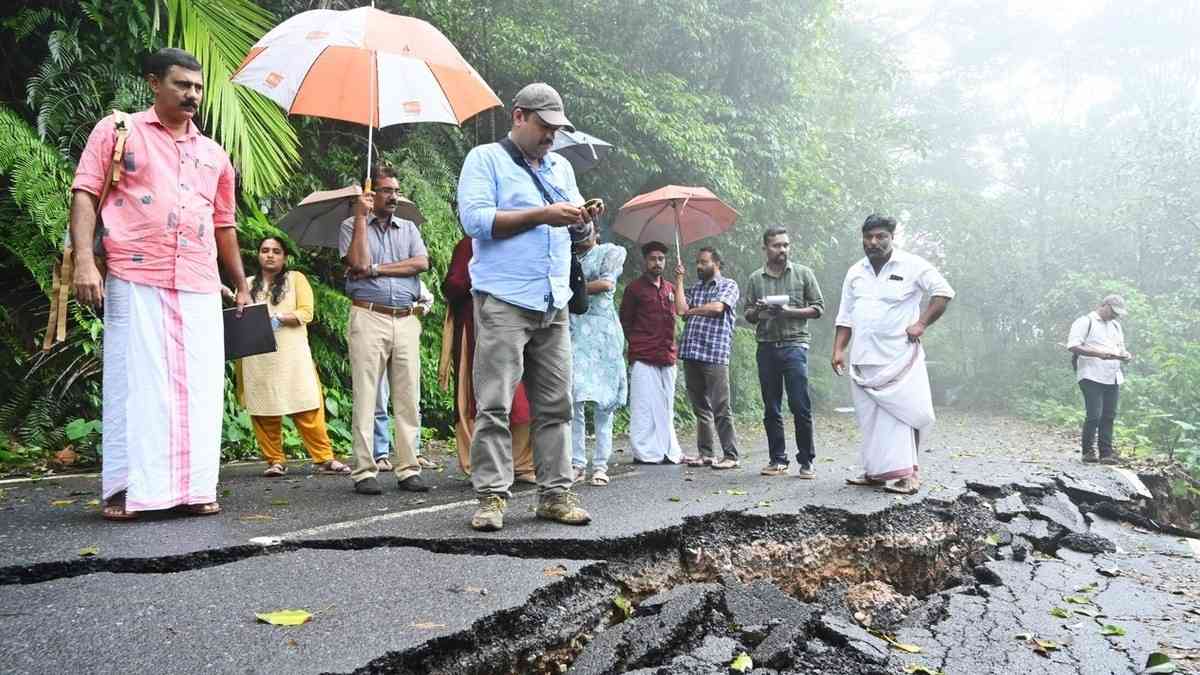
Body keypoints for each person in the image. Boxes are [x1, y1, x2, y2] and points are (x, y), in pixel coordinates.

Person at [70, 48, 249, 521]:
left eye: (198, 87)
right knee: (135, 384)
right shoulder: (119, 131)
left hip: (198, 279)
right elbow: (85, 192)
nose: (192, 94)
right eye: (182, 84)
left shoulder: (214, 155)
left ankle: (195, 488)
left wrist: (240, 281)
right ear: (154, 83)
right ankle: (126, 489)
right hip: (135, 272)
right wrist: (85, 261)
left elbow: (224, 224)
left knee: (200, 388)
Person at [457, 82, 601, 531]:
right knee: (495, 403)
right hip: (504, 299)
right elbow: (475, 221)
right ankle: (491, 498)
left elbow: (582, 241)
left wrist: (584, 223)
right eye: (544, 126)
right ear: (519, 116)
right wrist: (542, 215)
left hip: (553, 301)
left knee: (557, 405)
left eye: (557, 129)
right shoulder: (485, 159)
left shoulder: (560, 167)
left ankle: (555, 494)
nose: (551, 136)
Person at [832, 214, 954, 495]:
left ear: (892, 237)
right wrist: (838, 349)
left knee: (905, 414)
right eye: (868, 237)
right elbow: (845, 315)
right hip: (863, 358)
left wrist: (921, 323)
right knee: (870, 420)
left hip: (899, 357)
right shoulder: (855, 272)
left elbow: (943, 292)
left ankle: (910, 475)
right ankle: (875, 473)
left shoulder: (912, 264)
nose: (873, 242)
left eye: (880, 237)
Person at [340, 164, 429, 495]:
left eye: (396, 191)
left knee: (408, 396)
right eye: (387, 190)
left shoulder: (409, 228)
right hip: (368, 316)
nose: (394, 196)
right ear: (371, 193)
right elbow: (358, 263)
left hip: (406, 318)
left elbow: (420, 263)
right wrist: (360, 218)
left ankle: (408, 468)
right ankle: (365, 470)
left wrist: (377, 270)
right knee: (366, 395)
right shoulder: (350, 226)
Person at [237, 237, 350, 477]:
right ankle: (275, 460)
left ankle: (324, 458)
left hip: (293, 356)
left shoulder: (296, 279)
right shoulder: (246, 284)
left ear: (284, 257)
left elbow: (307, 313)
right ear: (258, 255)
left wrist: (278, 318)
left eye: (276, 251)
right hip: (258, 357)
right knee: (264, 409)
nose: (270, 255)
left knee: (307, 405)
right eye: (265, 250)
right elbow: (239, 317)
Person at [438, 235, 537, 483]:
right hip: (475, 325)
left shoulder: (521, 240)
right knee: (479, 396)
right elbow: (452, 286)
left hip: (517, 325)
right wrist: (482, 274)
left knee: (521, 397)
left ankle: (521, 463)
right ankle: (481, 464)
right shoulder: (469, 244)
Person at [745, 227, 825, 479]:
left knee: (800, 405)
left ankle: (807, 461)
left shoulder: (803, 273)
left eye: (785, 245)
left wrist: (789, 311)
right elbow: (748, 314)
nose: (782, 249)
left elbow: (818, 308)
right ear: (765, 248)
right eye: (776, 245)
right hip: (766, 345)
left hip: (795, 345)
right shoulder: (755, 279)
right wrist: (759, 311)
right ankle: (778, 460)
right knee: (771, 407)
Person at [569, 223, 628, 486]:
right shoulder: (568, 255)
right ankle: (577, 463)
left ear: (597, 233)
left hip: (603, 332)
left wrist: (571, 289)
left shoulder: (610, 252)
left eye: (587, 227)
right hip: (575, 331)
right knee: (575, 398)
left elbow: (606, 283)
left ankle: (601, 465)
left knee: (604, 402)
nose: (582, 232)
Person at [674, 247, 741, 469]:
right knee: (700, 407)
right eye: (697, 263)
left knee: (721, 406)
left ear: (717, 263)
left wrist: (692, 311)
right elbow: (680, 309)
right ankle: (706, 454)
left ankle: (731, 455)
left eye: (704, 262)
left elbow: (717, 308)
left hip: (714, 353)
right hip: (691, 352)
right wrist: (679, 279)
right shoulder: (695, 288)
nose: (699, 266)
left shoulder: (728, 285)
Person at [619, 241, 684, 465]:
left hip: (667, 354)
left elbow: (682, 311)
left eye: (661, 259)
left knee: (666, 405)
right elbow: (625, 321)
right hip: (643, 355)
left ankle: (667, 450)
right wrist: (638, 343)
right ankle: (644, 453)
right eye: (653, 259)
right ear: (645, 261)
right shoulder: (634, 289)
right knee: (643, 406)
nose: (657, 263)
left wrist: (680, 280)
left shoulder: (670, 288)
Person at [1067, 295, 1131, 464]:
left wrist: (1125, 355)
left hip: (1113, 376)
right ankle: (1088, 451)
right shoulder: (1085, 321)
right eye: (1113, 311)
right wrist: (1098, 354)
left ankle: (1106, 454)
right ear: (1104, 305)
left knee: (1109, 415)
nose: (1115, 315)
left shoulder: (1116, 325)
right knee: (1094, 414)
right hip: (1090, 374)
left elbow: (1121, 348)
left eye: (1118, 313)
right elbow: (1073, 345)